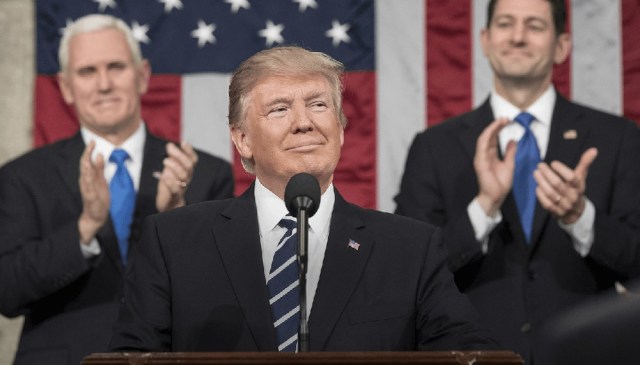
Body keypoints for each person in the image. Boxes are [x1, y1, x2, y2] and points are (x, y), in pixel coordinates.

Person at [108, 46, 499, 353]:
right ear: (242, 139)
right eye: (280, 109)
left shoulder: (410, 250)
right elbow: (132, 356)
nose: (304, 122)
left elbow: (470, 353)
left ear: (341, 130)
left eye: (318, 104)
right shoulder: (173, 243)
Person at [394, 0, 640, 363]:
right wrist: (484, 208)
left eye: (535, 26)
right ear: (485, 40)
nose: (518, 37)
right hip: (472, 356)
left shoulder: (616, 137)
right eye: (506, 24)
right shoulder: (434, 146)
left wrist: (580, 217)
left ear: (561, 46)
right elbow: (406, 270)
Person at [0, 14, 234, 365]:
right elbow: (7, 293)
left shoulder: (205, 173)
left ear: (142, 75)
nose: (104, 84)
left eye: (116, 67)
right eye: (87, 72)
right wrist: (86, 227)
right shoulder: (22, 176)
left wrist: (176, 219)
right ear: (65, 86)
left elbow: (223, 292)